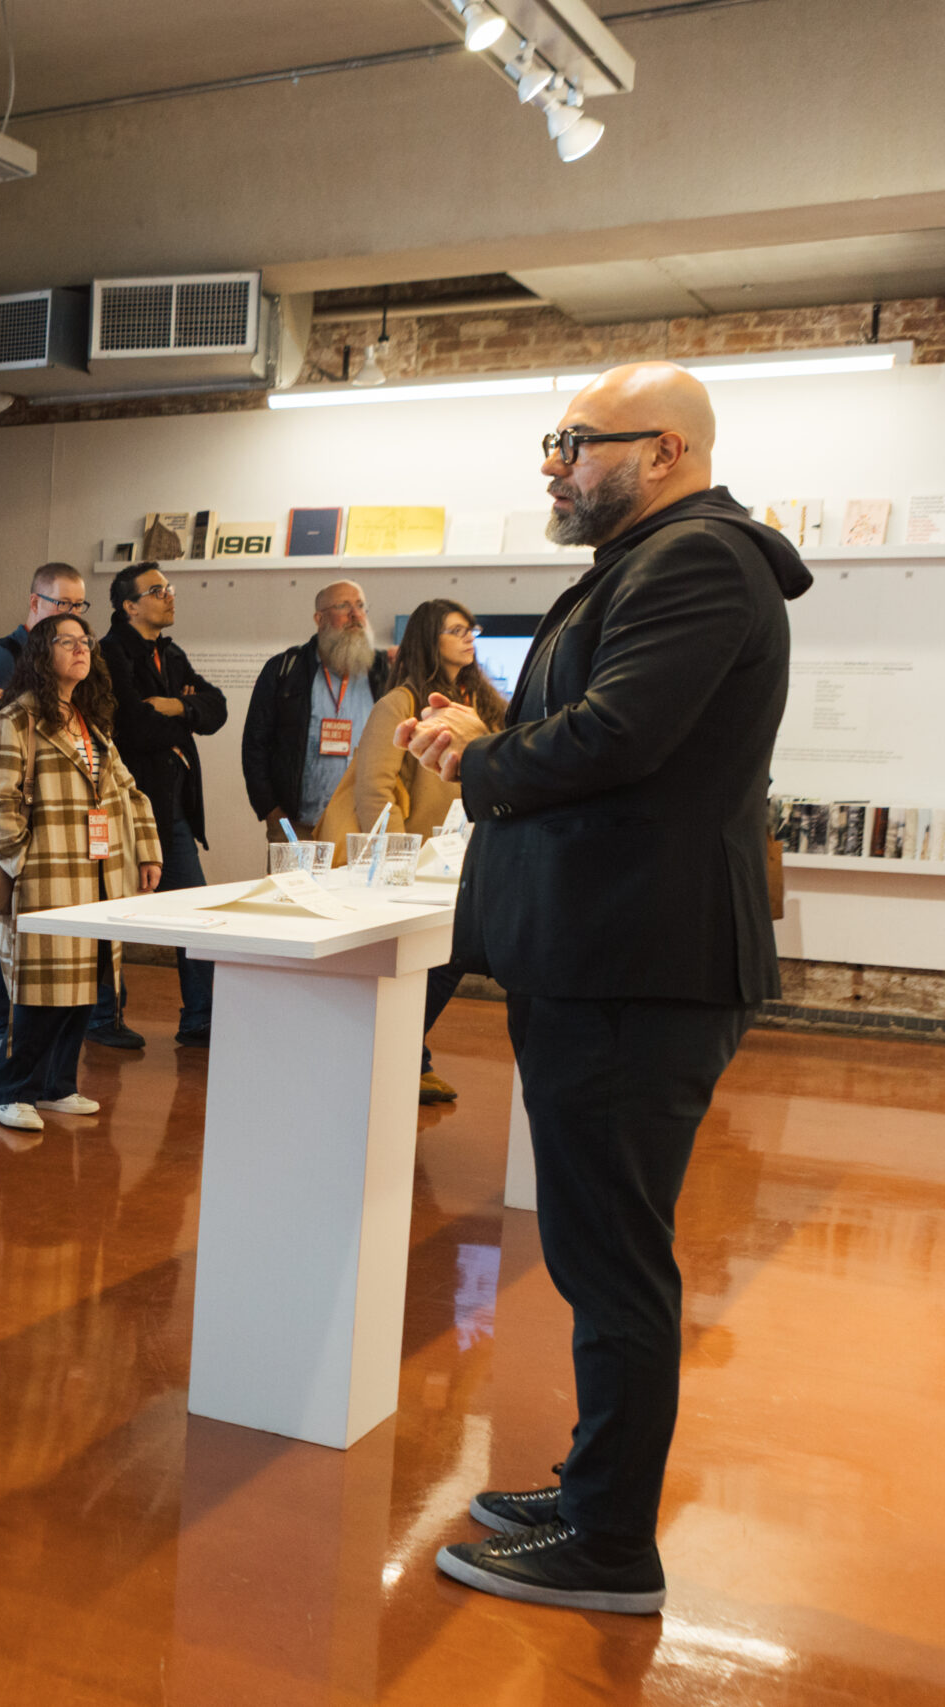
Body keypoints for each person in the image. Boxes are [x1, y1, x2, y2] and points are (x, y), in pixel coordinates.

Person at [404, 363, 807, 1616]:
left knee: (612, 1257)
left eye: (573, 444)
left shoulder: (696, 561)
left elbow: (617, 738)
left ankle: (612, 1543)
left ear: (667, 450)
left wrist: (478, 755)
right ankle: (593, 1488)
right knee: (593, 1250)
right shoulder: (654, 557)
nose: (552, 464)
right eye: (553, 442)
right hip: (607, 954)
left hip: (637, 963)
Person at [0, 614, 162, 1131]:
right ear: (41, 652)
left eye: (86, 643)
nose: (81, 650)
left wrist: (148, 852)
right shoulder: (16, 719)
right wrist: (23, 861)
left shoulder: (88, 721)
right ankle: (10, 1092)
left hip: (99, 878)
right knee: (38, 993)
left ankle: (57, 1085)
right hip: (48, 876)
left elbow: (129, 792)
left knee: (86, 985)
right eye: (68, 642)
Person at [318, 598, 508, 1105]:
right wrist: (397, 862)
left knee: (452, 953)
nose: (468, 637)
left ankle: (405, 1053)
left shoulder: (483, 701)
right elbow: (376, 790)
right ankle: (396, 1055)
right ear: (430, 638)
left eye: (472, 628)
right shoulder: (399, 703)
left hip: (462, 857)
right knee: (434, 956)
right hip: (412, 860)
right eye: (454, 629)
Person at [0, 563, 96, 1063]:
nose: (72, 618)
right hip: (16, 819)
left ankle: (38, 1048)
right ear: (35, 603)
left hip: (63, 832)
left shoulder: (75, 675)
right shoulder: (3, 656)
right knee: (5, 922)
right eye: (62, 605)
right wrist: (17, 848)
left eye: (79, 607)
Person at [100, 562, 228, 1048]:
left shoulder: (170, 655)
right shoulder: (111, 654)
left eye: (169, 588)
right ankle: (103, 1017)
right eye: (157, 590)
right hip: (127, 807)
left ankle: (201, 1017)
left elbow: (216, 708)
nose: (169, 596)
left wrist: (175, 706)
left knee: (195, 912)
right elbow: (133, 727)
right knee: (109, 914)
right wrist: (181, 713)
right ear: (130, 605)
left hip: (173, 810)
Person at [241, 579, 394, 846]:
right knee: (294, 889)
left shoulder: (384, 670)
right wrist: (270, 810)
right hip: (298, 826)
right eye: (343, 606)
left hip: (363, 825)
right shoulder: (285, 669)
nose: (355, 615)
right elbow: (255, 745)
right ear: (319, 618)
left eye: (360, 606)